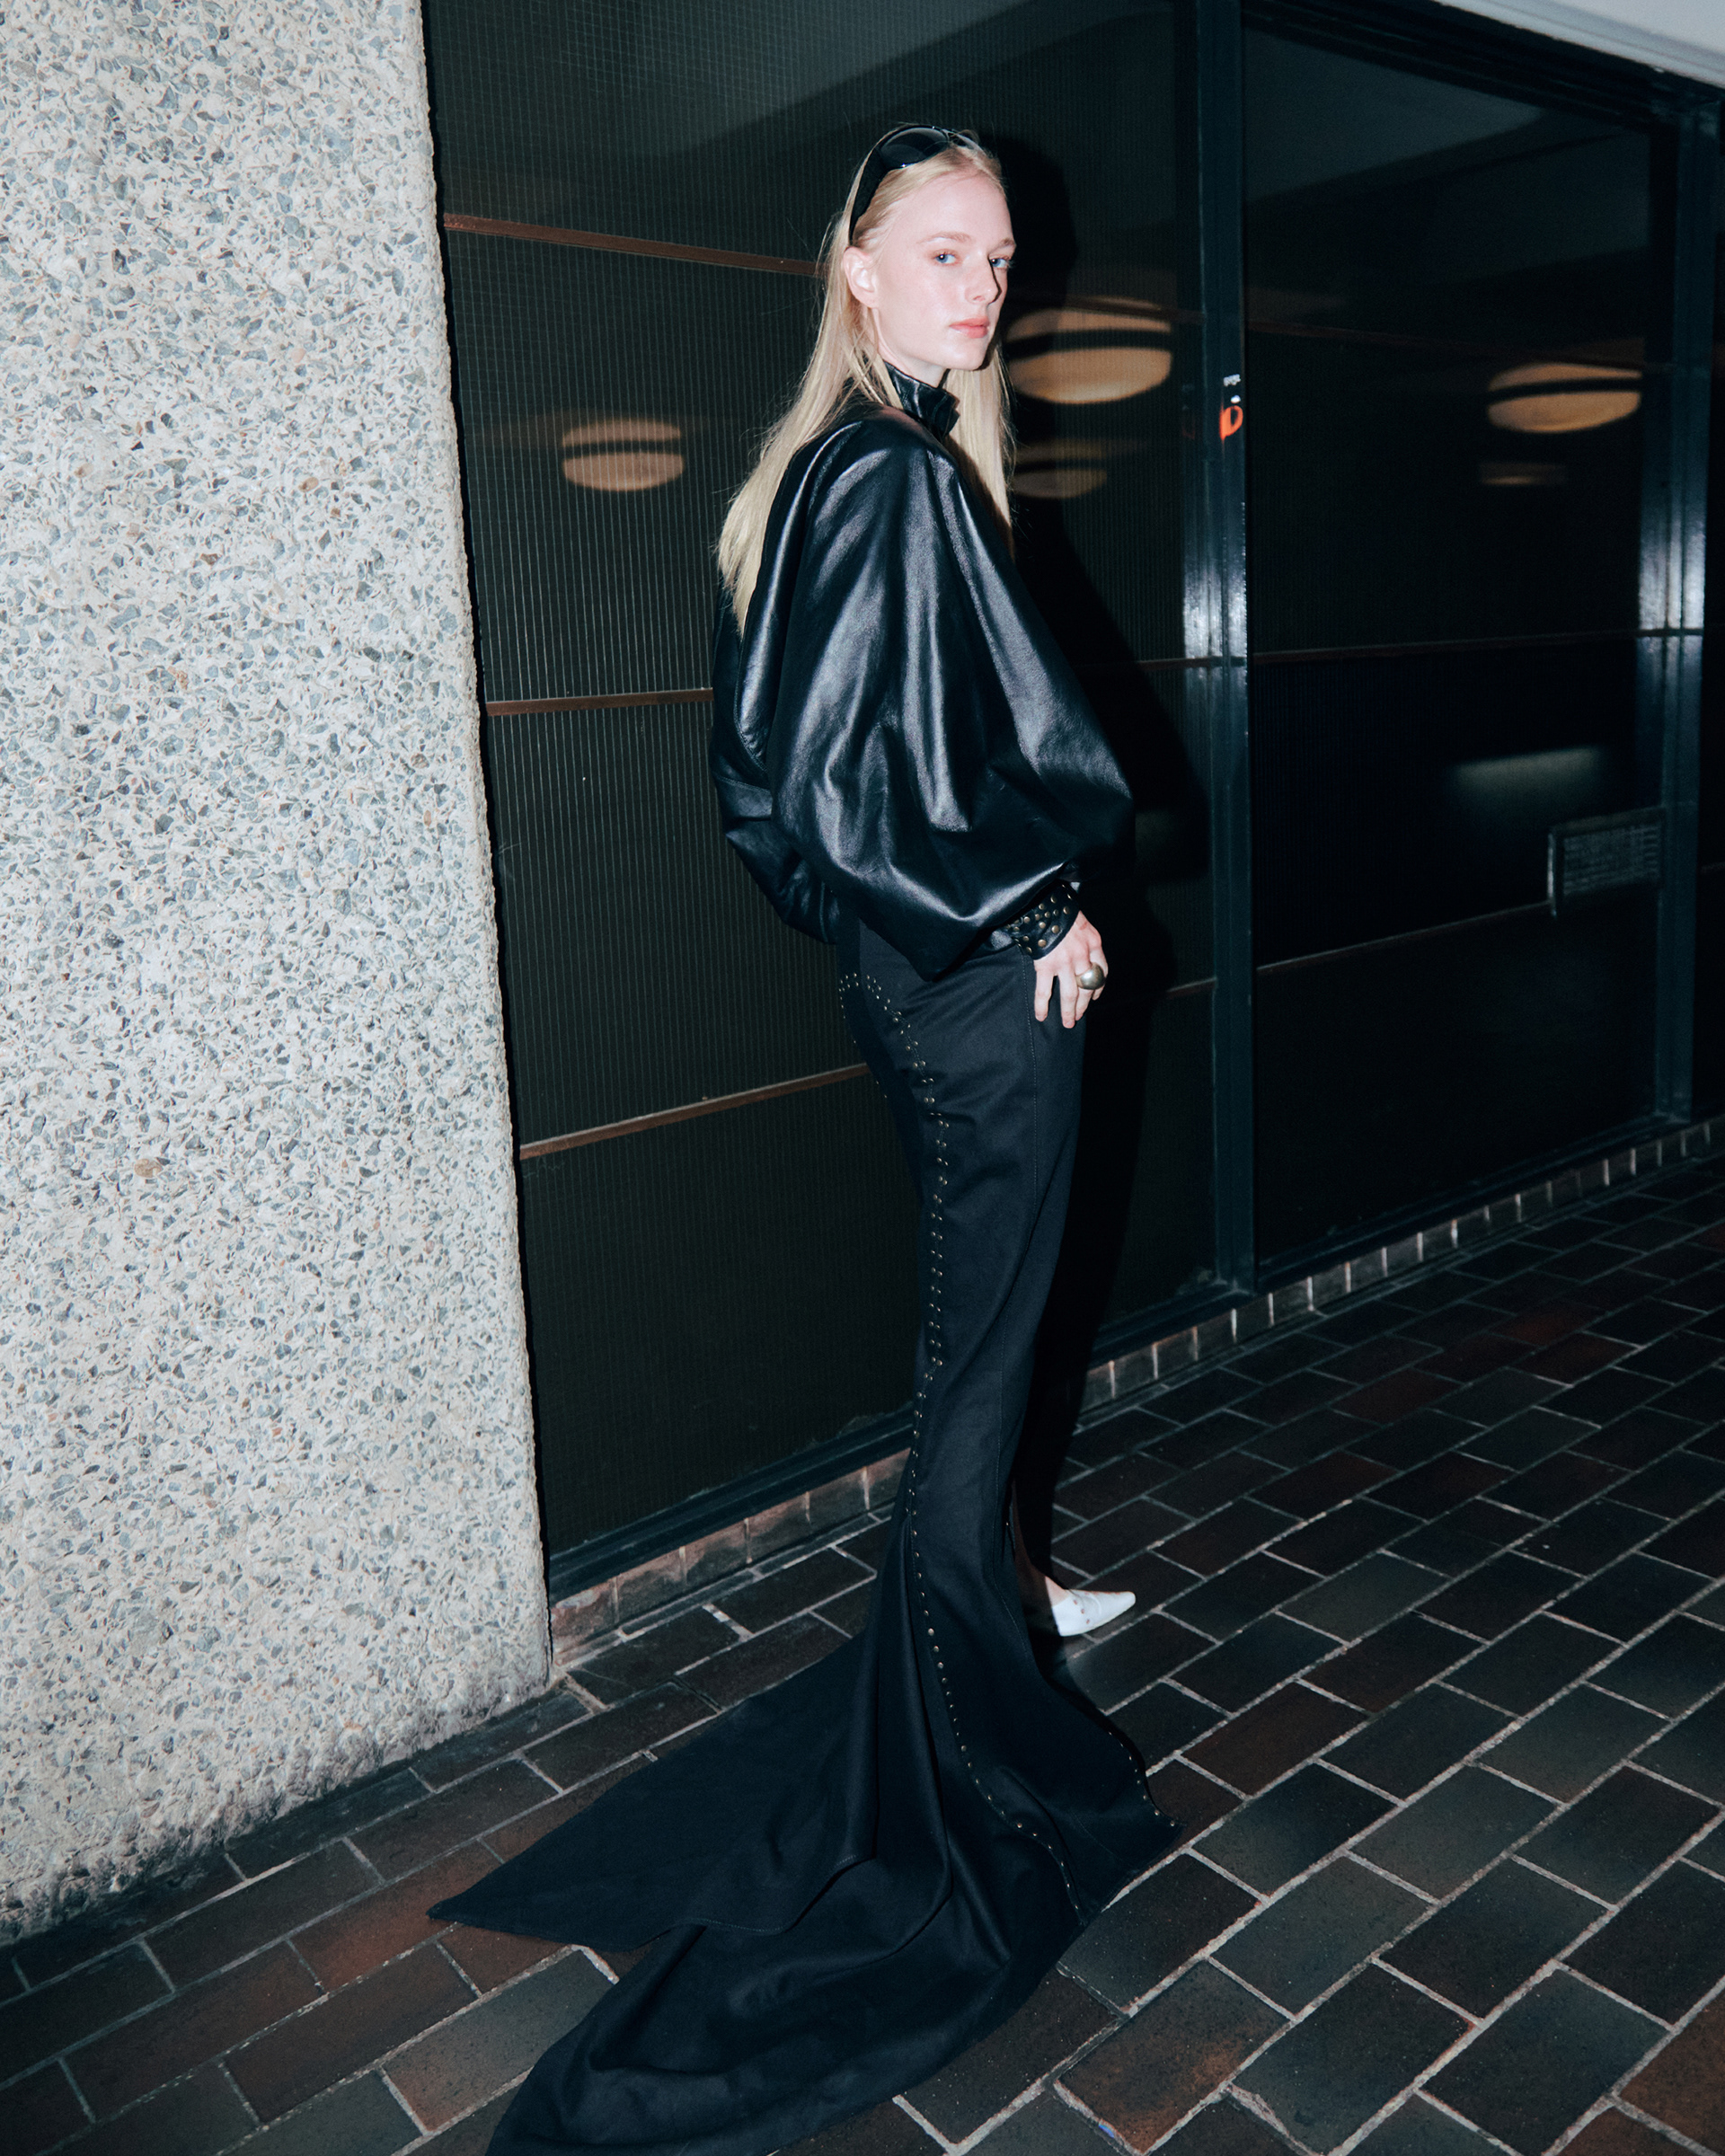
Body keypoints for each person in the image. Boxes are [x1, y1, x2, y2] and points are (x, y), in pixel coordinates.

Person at [432, 126, 1178, 2156]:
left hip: (931, 992)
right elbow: (837, 801)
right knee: (976, 1382)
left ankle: (987, 1653)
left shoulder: (852, 471)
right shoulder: (890, 476)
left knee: (975, 1364)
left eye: (999, 256)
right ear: (853, 269)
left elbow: (784, 798)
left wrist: (950, 927)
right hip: (978, 1000)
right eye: (942, 251)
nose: (982, 286)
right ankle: (966, 1766)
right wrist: (1026, 910)